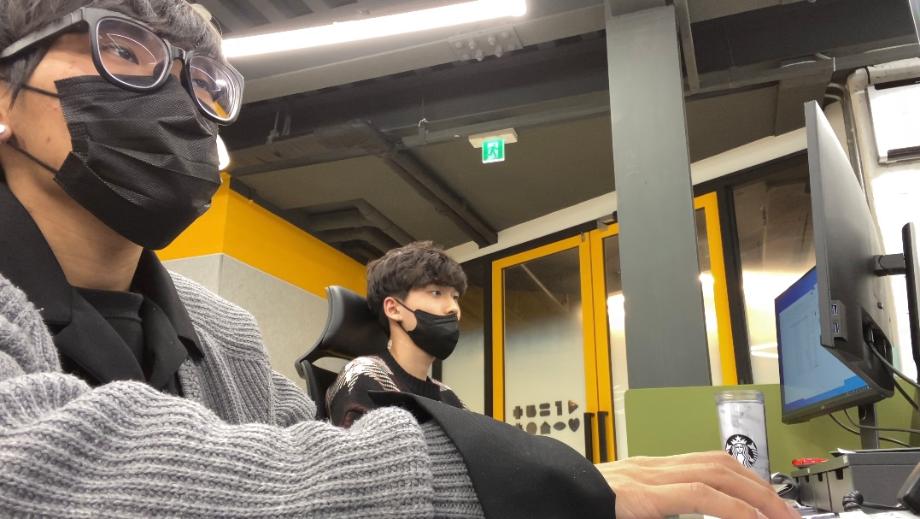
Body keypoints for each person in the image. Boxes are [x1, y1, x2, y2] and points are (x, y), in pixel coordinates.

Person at [0, 1, 800, 517]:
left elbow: (310, 462)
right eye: (125, 52)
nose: (180, 101)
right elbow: (51, 468)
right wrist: (522, 481)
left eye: (202, 82)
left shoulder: (223, 335)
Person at [326, 241, 466, 428]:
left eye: (455, 297)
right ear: (393, 308)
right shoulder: (363, 376)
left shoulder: (449, 398)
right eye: (436, 293)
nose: (454, 308)